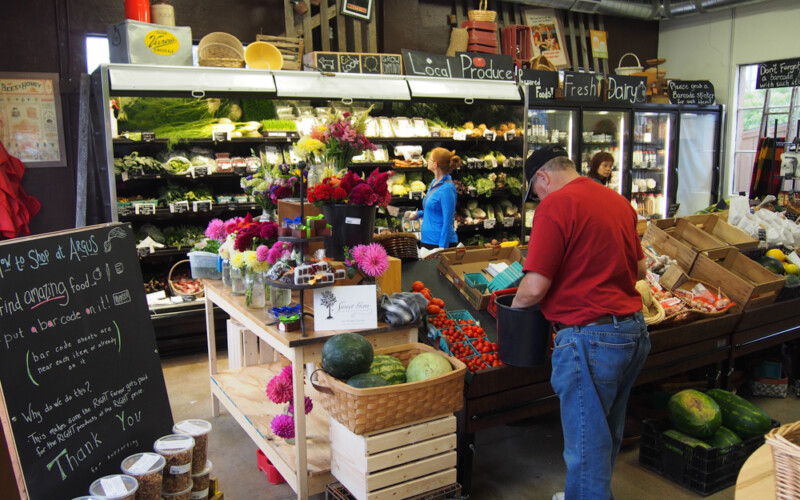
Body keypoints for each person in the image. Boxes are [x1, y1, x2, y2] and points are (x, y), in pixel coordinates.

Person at [511, 145, 649, 500]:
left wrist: (514, 309)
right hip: (632, 331)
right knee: (605, 434)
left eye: (535, 191)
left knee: (586, 446)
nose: (538, 199)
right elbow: (639, 270)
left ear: (542, 177)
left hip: (590, 338)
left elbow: (534, 287)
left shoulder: (555, 205)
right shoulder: (617, 201)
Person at [404, 147, 460, 250]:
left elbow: (447, 221)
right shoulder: (434, 183)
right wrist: (418, 214)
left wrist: (442, 249)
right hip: (427, 241)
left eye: (429, 159)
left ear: (435, 164)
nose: (427, 161)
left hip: (438, 243)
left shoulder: (447, 189)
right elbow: (434, 211)